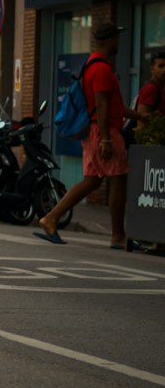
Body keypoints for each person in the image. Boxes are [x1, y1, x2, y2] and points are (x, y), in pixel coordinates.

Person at [36, 21, 128, 249]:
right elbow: (102, 104)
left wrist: (142, 117)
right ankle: (117, 236)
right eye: (116, 37)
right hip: (104, 132)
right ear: (108, 40)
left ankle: (51, 218)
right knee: (118, 180)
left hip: (95, 131)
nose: (119, 41)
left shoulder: (91, 65)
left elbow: (113, 105)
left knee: (92, 181)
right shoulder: (102, 69)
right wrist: (106, 138)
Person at [132, 50, 165, 145]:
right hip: (151, 147)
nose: (164, 69)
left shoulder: (160, 89)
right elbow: (141, 123)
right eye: (160, 66)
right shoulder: (150, 89)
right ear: (152, 69)